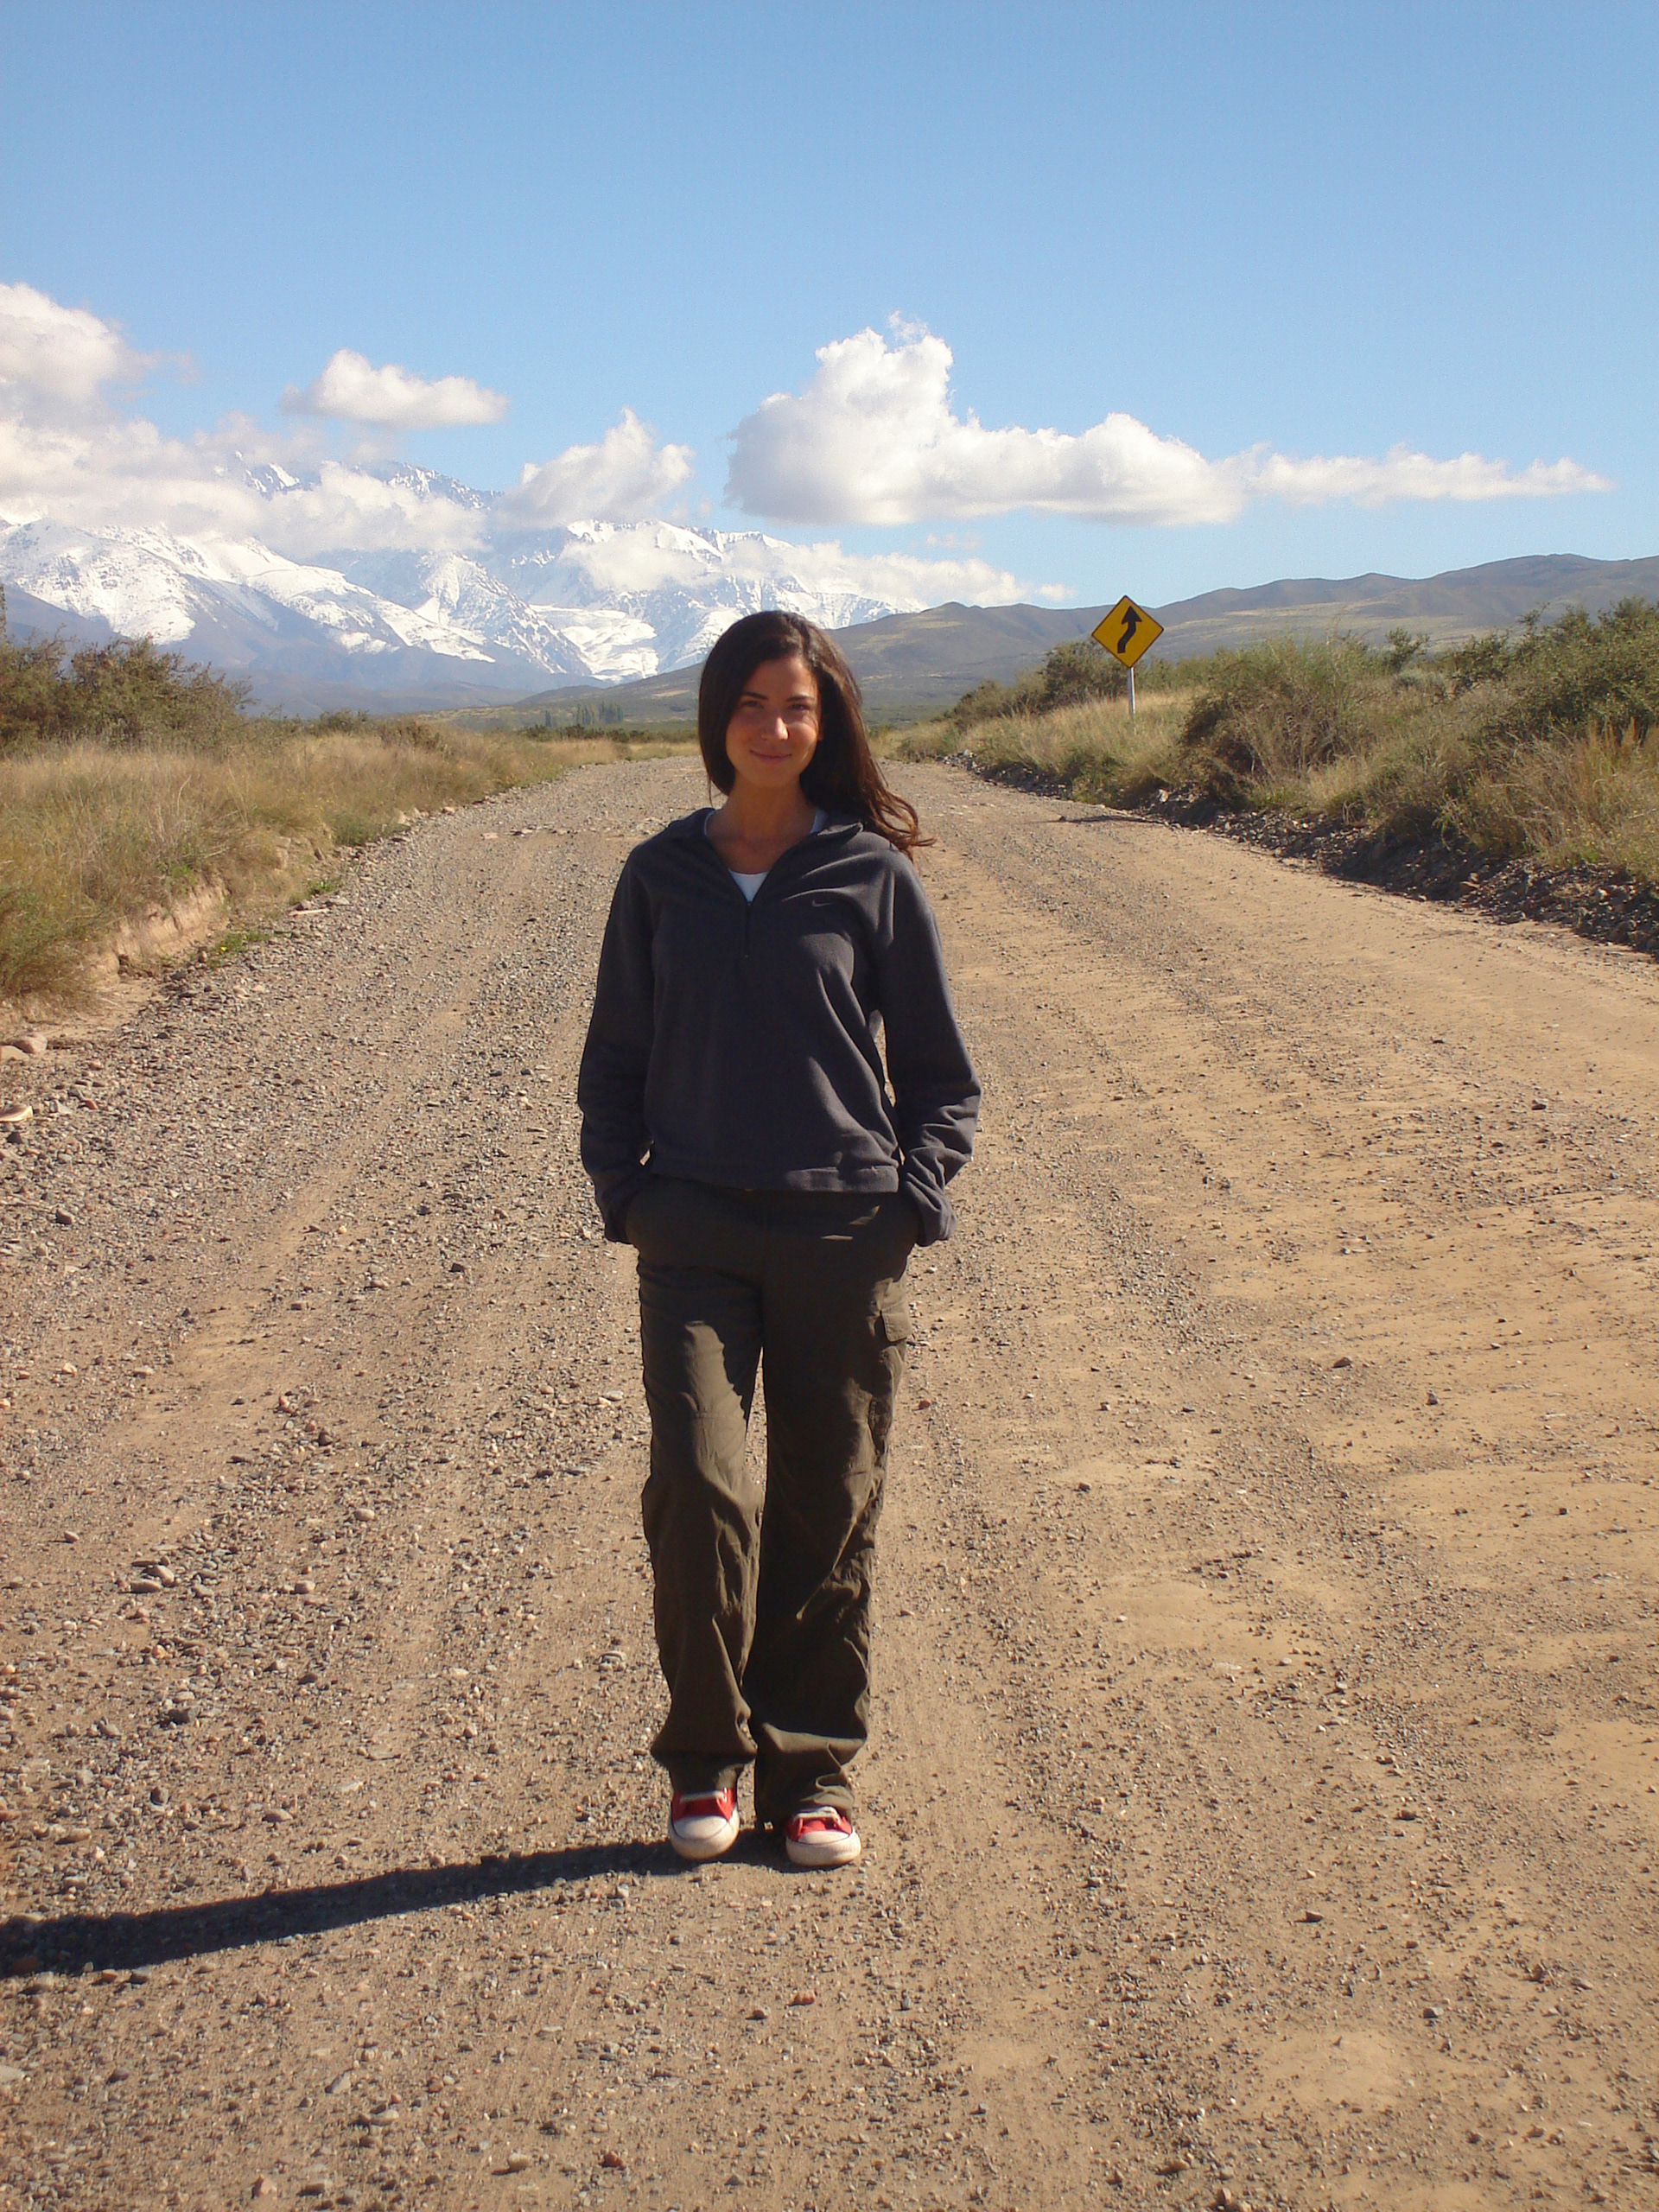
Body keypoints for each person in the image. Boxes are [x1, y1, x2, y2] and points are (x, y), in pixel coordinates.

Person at [577, 609, 979, 1868]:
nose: (774, 725)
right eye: (751, 703)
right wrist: (625, 1190)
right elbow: (615, 1058)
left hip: (840, 1230)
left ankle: (810, 1772)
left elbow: (938, 1073)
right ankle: (705, 1757)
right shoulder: (660, 875)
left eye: (797, 706)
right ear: (718, 720)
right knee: (697, 1486)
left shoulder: (868, 873)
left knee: (828, 1497)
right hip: (691, 1226)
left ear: (827, 724)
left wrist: (912, 1197)